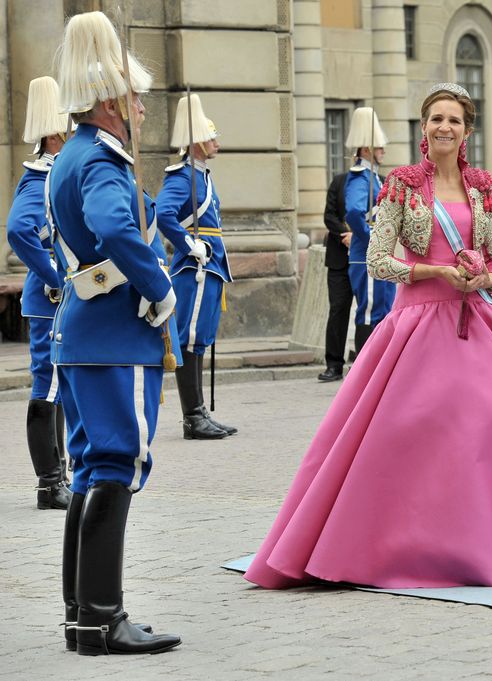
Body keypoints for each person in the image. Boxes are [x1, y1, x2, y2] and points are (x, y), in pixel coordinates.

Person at [244, 83, 492, 589]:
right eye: (436, 118)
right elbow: (377, 260)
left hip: (476, 322)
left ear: (467, 130)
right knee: (407, 436)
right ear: (424, 126)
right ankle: (396, 544)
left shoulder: (483, 186)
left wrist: (487, 278)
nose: (445, 127)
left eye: (454, 120)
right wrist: (434, 274)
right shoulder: (401, 184)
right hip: (416, 325)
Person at [50, 10, 181, 654]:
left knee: (89, 470)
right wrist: (159, 288)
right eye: (136, 97)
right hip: (113, 335)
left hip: (83, 337)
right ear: (110, 102)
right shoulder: (101, 159)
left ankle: (83, 619)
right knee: (115, 466)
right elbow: (113, 228)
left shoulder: (73, 155)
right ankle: (105, 618)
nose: (143, 108)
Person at [5, 76, 72, 510]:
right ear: (53, 135)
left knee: (60, 386)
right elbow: (18, 230)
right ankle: (49, 484)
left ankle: (60, 473)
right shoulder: (40, 179)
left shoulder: (58, 175)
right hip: (50, 300)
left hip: (62, 297)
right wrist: (51, 274)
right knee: (47, 386)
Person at [156, 93, 236, 439]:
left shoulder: (201, 175)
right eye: (211, 136)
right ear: (197, 142)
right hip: (196, 269)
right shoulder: (182, 177)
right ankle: (192, 417)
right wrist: (189, 244)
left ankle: (200, 412)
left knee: (199, 340)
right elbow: (163, 213)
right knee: (189, 341)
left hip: (209, 265)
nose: (216, 142)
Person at [345, 108, 396, 356]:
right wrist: (372, 238)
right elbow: (354, 212)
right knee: (370, 312)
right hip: (366, 254)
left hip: (375, 254)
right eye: (378, 148)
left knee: (384, 309)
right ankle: (364, 366)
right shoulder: (361, 177)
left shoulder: (372, 177)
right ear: (366, 150)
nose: (383, 151)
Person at [318, 169, 354, 382]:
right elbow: (329, 215)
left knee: (368, 313)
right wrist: (345, 234)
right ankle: (334, 364)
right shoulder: (340, 181)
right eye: (379, 149)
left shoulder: (380, 181)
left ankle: (364, 363)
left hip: (367, 257)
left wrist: (359, 236)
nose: (382, 152)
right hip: (339, 257)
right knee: (338, 309)